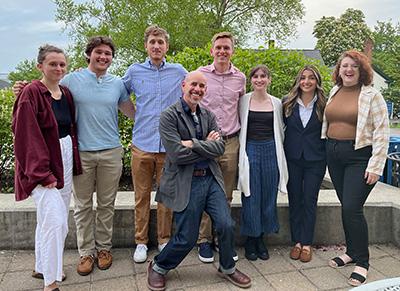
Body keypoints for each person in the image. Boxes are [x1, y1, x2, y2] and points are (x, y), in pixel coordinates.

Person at [147, 71, 251, 291]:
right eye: (194, 84)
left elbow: (220, 147)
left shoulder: (208, 115)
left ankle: (227, 267)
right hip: (188, 182)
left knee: (226, 224)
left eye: (202, 86)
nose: (198, 89)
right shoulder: (169, 116)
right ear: (184, 85)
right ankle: (158, 266)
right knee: (187, 237)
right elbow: (176, 154)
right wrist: (206, 145)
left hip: (210, 179)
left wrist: (193, 144)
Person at [12, 45, 82, 291]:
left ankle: (43, 266)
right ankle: (50, 283)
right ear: (40, 66)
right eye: (53, 64)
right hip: (41, 162)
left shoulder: (65, 93)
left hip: (64, 155)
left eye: (62, 64)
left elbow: (69, 129)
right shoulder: (31, 93)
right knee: (56, 221)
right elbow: (26, 136)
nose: (58, 68)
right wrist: (42, 173)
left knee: (50, 218)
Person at [322, 50, 389, 286]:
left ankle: (362, 261)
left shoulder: (372, 95)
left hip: (358, 158)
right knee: (346, 206)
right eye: (344, 66)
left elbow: (382, 133)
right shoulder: (335, 91)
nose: (348, 70)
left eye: (354, 66)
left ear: (362, 71)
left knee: (352, 208)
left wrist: (376, 166)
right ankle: (351, 251)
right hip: (334, 155)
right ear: (338, 70)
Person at [122, 25, 187, 263]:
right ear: (146, 46)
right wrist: (136, 114)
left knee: (166, 197)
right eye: (152, 42)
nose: (156, 46)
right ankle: (140, 241)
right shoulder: (134, 71)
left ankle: (163, 239)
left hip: (169, 147)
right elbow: (120, 96)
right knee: (141, 196)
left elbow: (192, 94)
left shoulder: (179, 71)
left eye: (160, 42)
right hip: (142, 145)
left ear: (167, 46)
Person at [196, 31, 246, 262]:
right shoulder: (200, 75)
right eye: (219, 47)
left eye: (227, 47)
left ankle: (221, 238)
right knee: (205, 191)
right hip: (207, 143)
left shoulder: (241, 78)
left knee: (226, 195)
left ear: (232, 51)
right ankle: (203, 240)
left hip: (231, 143)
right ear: (212, 50)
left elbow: (242, 108)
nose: (222, 51)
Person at [237, 65, 288, 261]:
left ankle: (262, 239)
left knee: (268, 195)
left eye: (263, 76)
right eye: (256, 76)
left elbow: (281, 129)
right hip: (250, 150)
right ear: (251, 80)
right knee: (250, 195)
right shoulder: (243, 101)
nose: (259, 79)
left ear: (269, 80)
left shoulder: (276, 103)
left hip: (271, 150)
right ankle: (251, 238)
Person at [282, 65, 327, 263]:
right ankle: (297, 242)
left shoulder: (325, 104)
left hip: (315, 160)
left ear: (317, 81)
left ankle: (307, 243)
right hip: (292, 158)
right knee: (295, 199)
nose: (306, 82)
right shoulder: (287, 103)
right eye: (303, 78)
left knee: (309, 200)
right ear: (298, 81)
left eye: (311, 78)